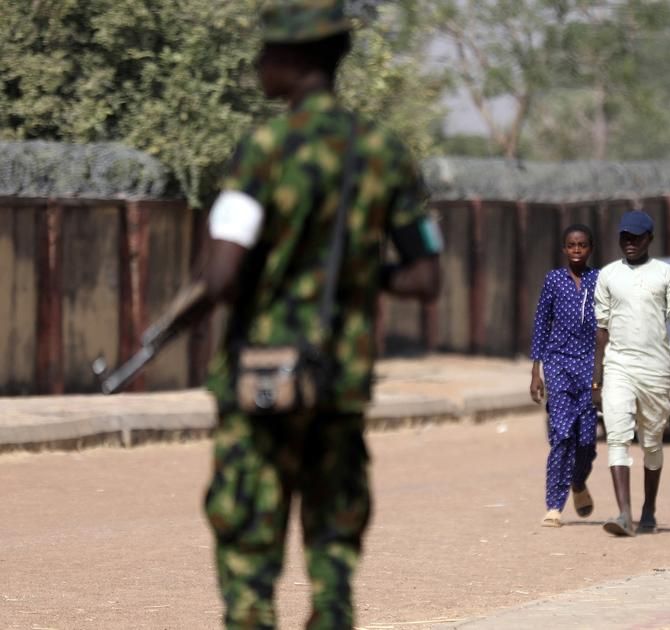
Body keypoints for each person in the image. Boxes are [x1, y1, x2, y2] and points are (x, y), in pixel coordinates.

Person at [197, 1, 442, 626]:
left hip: (263, 385)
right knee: (333, 557)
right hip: (337, 385)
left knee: (250, 552)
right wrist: (367, 274)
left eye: (267, 51)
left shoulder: (263, 149)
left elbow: (221, 277)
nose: (258, 64)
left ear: (295, 60)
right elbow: (426, 274)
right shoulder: (385, 153)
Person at [591, 209, 670, 537]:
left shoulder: (666, 274)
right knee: (618, 436)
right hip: (618, 365)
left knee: (651, 442)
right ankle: (624, 514)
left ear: (650, 238)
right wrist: (597, 375)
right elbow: (602, 329)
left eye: (636, 237)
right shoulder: (608, 275)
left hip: (655, 368)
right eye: (625, 237)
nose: (630, 243)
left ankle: (649, 508)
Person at [530, 224, 600, 528]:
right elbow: (541, 323)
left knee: (586, 441)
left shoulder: (599, 281)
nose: (576, 250)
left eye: (582, 245)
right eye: (571, 245)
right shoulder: (553, 281)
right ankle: (553, 505)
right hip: (557, 363)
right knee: (561, 434)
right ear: (564, 249)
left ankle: (578, 482)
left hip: (589, 365)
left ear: (590, 248)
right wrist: (536, 371)